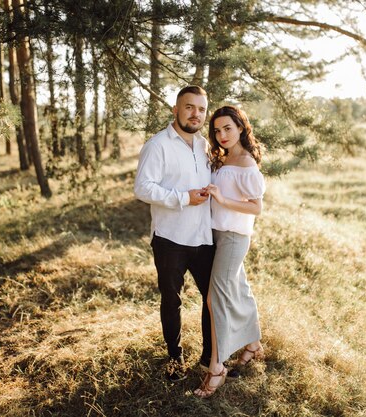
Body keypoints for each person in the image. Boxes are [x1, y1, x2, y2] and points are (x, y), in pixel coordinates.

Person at [134, 85, 214, 382]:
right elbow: (143, 188)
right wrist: (183, 197)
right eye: (189, 107)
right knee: (172, 300)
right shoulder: (158, 145)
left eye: (201, 109)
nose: (195, 114)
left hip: (204, 238)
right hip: (170, 239)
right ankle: (175, 357)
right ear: (176, 110)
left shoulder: (206, 146)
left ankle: (210, 357)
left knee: (211, 299)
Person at [194, 106, 266, 398]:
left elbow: (256, 207)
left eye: (228, 128)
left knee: (216, 298)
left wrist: (222, 199)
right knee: (239, 288)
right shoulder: (223, 158)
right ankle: (253, 344)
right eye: (217, 130)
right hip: (216, 234)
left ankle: (216, 367)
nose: (222, 135)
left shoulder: (246, 162)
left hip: (234, 237)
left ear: (240, 127)